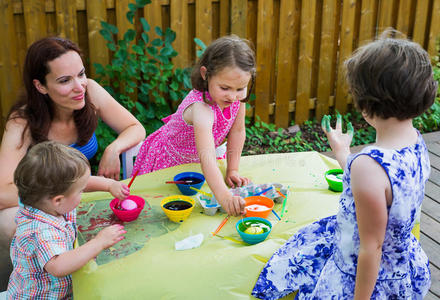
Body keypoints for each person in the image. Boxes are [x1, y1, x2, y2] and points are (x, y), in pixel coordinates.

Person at [252, 29, 436, 299]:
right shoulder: (416, 141)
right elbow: (383, 186)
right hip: (402, 263)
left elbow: (370, 248)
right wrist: (343, 151)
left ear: (366, 102)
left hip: (366, 276)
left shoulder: (368, 166)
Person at [0, 36, 145, 289]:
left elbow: (134, 127)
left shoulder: (89, 91)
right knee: (9, 222)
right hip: (42, 205)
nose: (79, 86)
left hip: (76, 192)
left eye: (81, 74)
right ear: (41, 86)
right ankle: (34, 283)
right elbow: (3, 192)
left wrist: (114, 148)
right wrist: (60, 194)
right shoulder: (22, 122)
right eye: (65, 80)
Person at [132, 35, 255, 216]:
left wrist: (232, 169)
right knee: (161, 211)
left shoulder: (237, 100)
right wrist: (226, 198)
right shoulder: (201, 107)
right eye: (225, 88)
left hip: (196, 163)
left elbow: (237, 131)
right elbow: (206, 157)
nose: (232, 96)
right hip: (169, 162)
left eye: (240, 88)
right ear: (206, 74)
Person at [5, 141, 126, 299]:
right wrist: (99, 242)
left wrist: (109, 185)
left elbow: (83, 181)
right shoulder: (40, 230)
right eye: (81, 191)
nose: (83, 191)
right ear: (58, 200)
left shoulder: (48, 203)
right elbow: (58, 266)